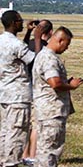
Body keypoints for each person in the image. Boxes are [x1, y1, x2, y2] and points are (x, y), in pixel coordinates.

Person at [32, 26, 83, 166]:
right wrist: (71, 86)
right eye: (66, 44)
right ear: (60, 40)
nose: (66, 48)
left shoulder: (43, 55)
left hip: (46, 109)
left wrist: (65, 83)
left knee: (45, 148)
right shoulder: (49, 59)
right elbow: (54, 83)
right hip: (51, 111)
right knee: (50, 150)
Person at [0, 10, 43, 167]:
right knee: (17, 132)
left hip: (5, 93)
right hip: (18, 95)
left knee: (6, 130)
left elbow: (20, 53)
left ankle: (3, 160)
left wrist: (29, 33)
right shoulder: (15, 44)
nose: (22, 23)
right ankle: (11, 162)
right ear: (13, 23)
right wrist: (37, 38)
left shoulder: (3, 41)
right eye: (19, 20)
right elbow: (36, 61)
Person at [22, 19, 53, 166]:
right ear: (51, 33)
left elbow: (23, 47)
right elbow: (39, 62)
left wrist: (29, 34)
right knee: (35, 124)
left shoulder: (27, 45)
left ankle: (24, 153)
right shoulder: (43, 48)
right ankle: (32, 155)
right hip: (36, 88)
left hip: (24, 87)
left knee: (27, 124)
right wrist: (38, 39)